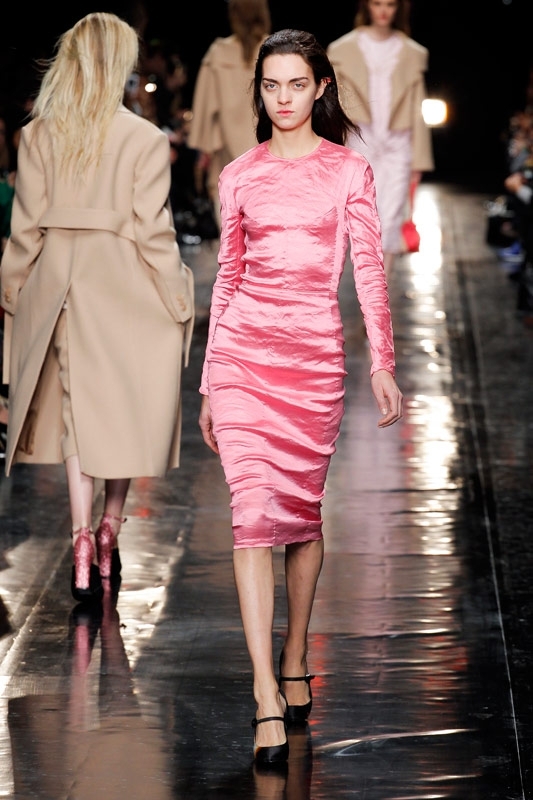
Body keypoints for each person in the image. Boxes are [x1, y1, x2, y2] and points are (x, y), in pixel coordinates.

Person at [198, 28, 403, 765]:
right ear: (258, 91)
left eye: (295, 84)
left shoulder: (347, 170)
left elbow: (368, 270)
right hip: (242, 356)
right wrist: (208, 381)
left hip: (313, 361)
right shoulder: (239, 175)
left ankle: (293, 653)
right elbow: (227, 277)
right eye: (270, 85)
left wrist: (382, 362)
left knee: (301, 515)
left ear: (320, 88)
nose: (282, 98)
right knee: (251, 515)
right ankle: (264, 692)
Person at [0, 13, 194, 603]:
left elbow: (25, 230)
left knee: (75, 415)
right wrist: (178, 295)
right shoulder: (144, 139)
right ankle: (110, 529)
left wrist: (12, 292)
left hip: (58, 281)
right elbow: (154, 232)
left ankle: (80, 539)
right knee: (123, 408)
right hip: (123, 282)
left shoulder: (38, 135)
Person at [327, 0, 434, 278]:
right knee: (363, 219)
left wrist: (419, 159)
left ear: (399, 8)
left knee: (392, 218)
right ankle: (370, 289)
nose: (384, 10)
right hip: (359, 141)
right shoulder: (342, 50)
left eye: (390, 4)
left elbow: (417, 109)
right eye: (377, 3)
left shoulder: (411, 52)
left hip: (399, 142)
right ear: (366, 6)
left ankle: (378, 293)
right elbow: (333, 107)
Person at [187, 0, 271, 228]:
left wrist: (204, 150)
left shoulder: (218, 54)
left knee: (232, 236)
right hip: (271, 160)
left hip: (228, 161)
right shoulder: (277, 52)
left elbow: (205, 109)